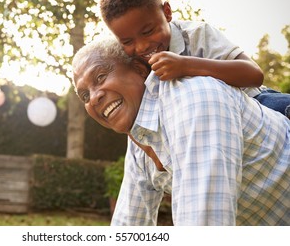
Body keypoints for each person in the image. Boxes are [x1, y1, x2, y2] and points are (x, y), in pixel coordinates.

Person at [72, 35, 290, 226]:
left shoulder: (194, 98)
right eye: (84, 96)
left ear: (139, 70)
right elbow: (128, 225)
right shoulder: (140, 142)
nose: (94, 97)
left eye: (100, 77)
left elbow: (204, 227)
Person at [99, 0, 290, 118]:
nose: (141, 47)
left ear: (166, 12)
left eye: (148, 31)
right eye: (127, 41)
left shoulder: (196, 34)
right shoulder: (134, 65)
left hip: (258, 104)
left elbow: (254, 75)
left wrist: (186, 65)